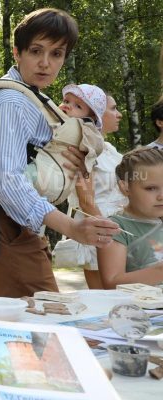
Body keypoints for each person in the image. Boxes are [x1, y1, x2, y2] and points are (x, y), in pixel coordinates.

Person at [0, 8, 120, 298]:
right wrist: (71, 227)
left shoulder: (33, 98)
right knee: (44, 316)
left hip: (13, 216)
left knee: (39, 318)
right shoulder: (9, 101)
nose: (45, 63)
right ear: (17, 53)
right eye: (36, 51)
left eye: (56, 54)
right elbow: (9, 181)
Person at [65, 93, 128, 289]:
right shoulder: (81, 148)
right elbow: (86, 202)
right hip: (100, 230)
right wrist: (112, 238)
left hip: (119, 229)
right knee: (106, 298)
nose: (119, 114)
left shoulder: (107, 148)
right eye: (113, 108)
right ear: (96, 115)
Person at [97, 147, 163, 288]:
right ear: (125, 187)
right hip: (139, 308)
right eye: (151, 188)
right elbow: (111, 283)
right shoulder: (114, 228)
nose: (161, 196)